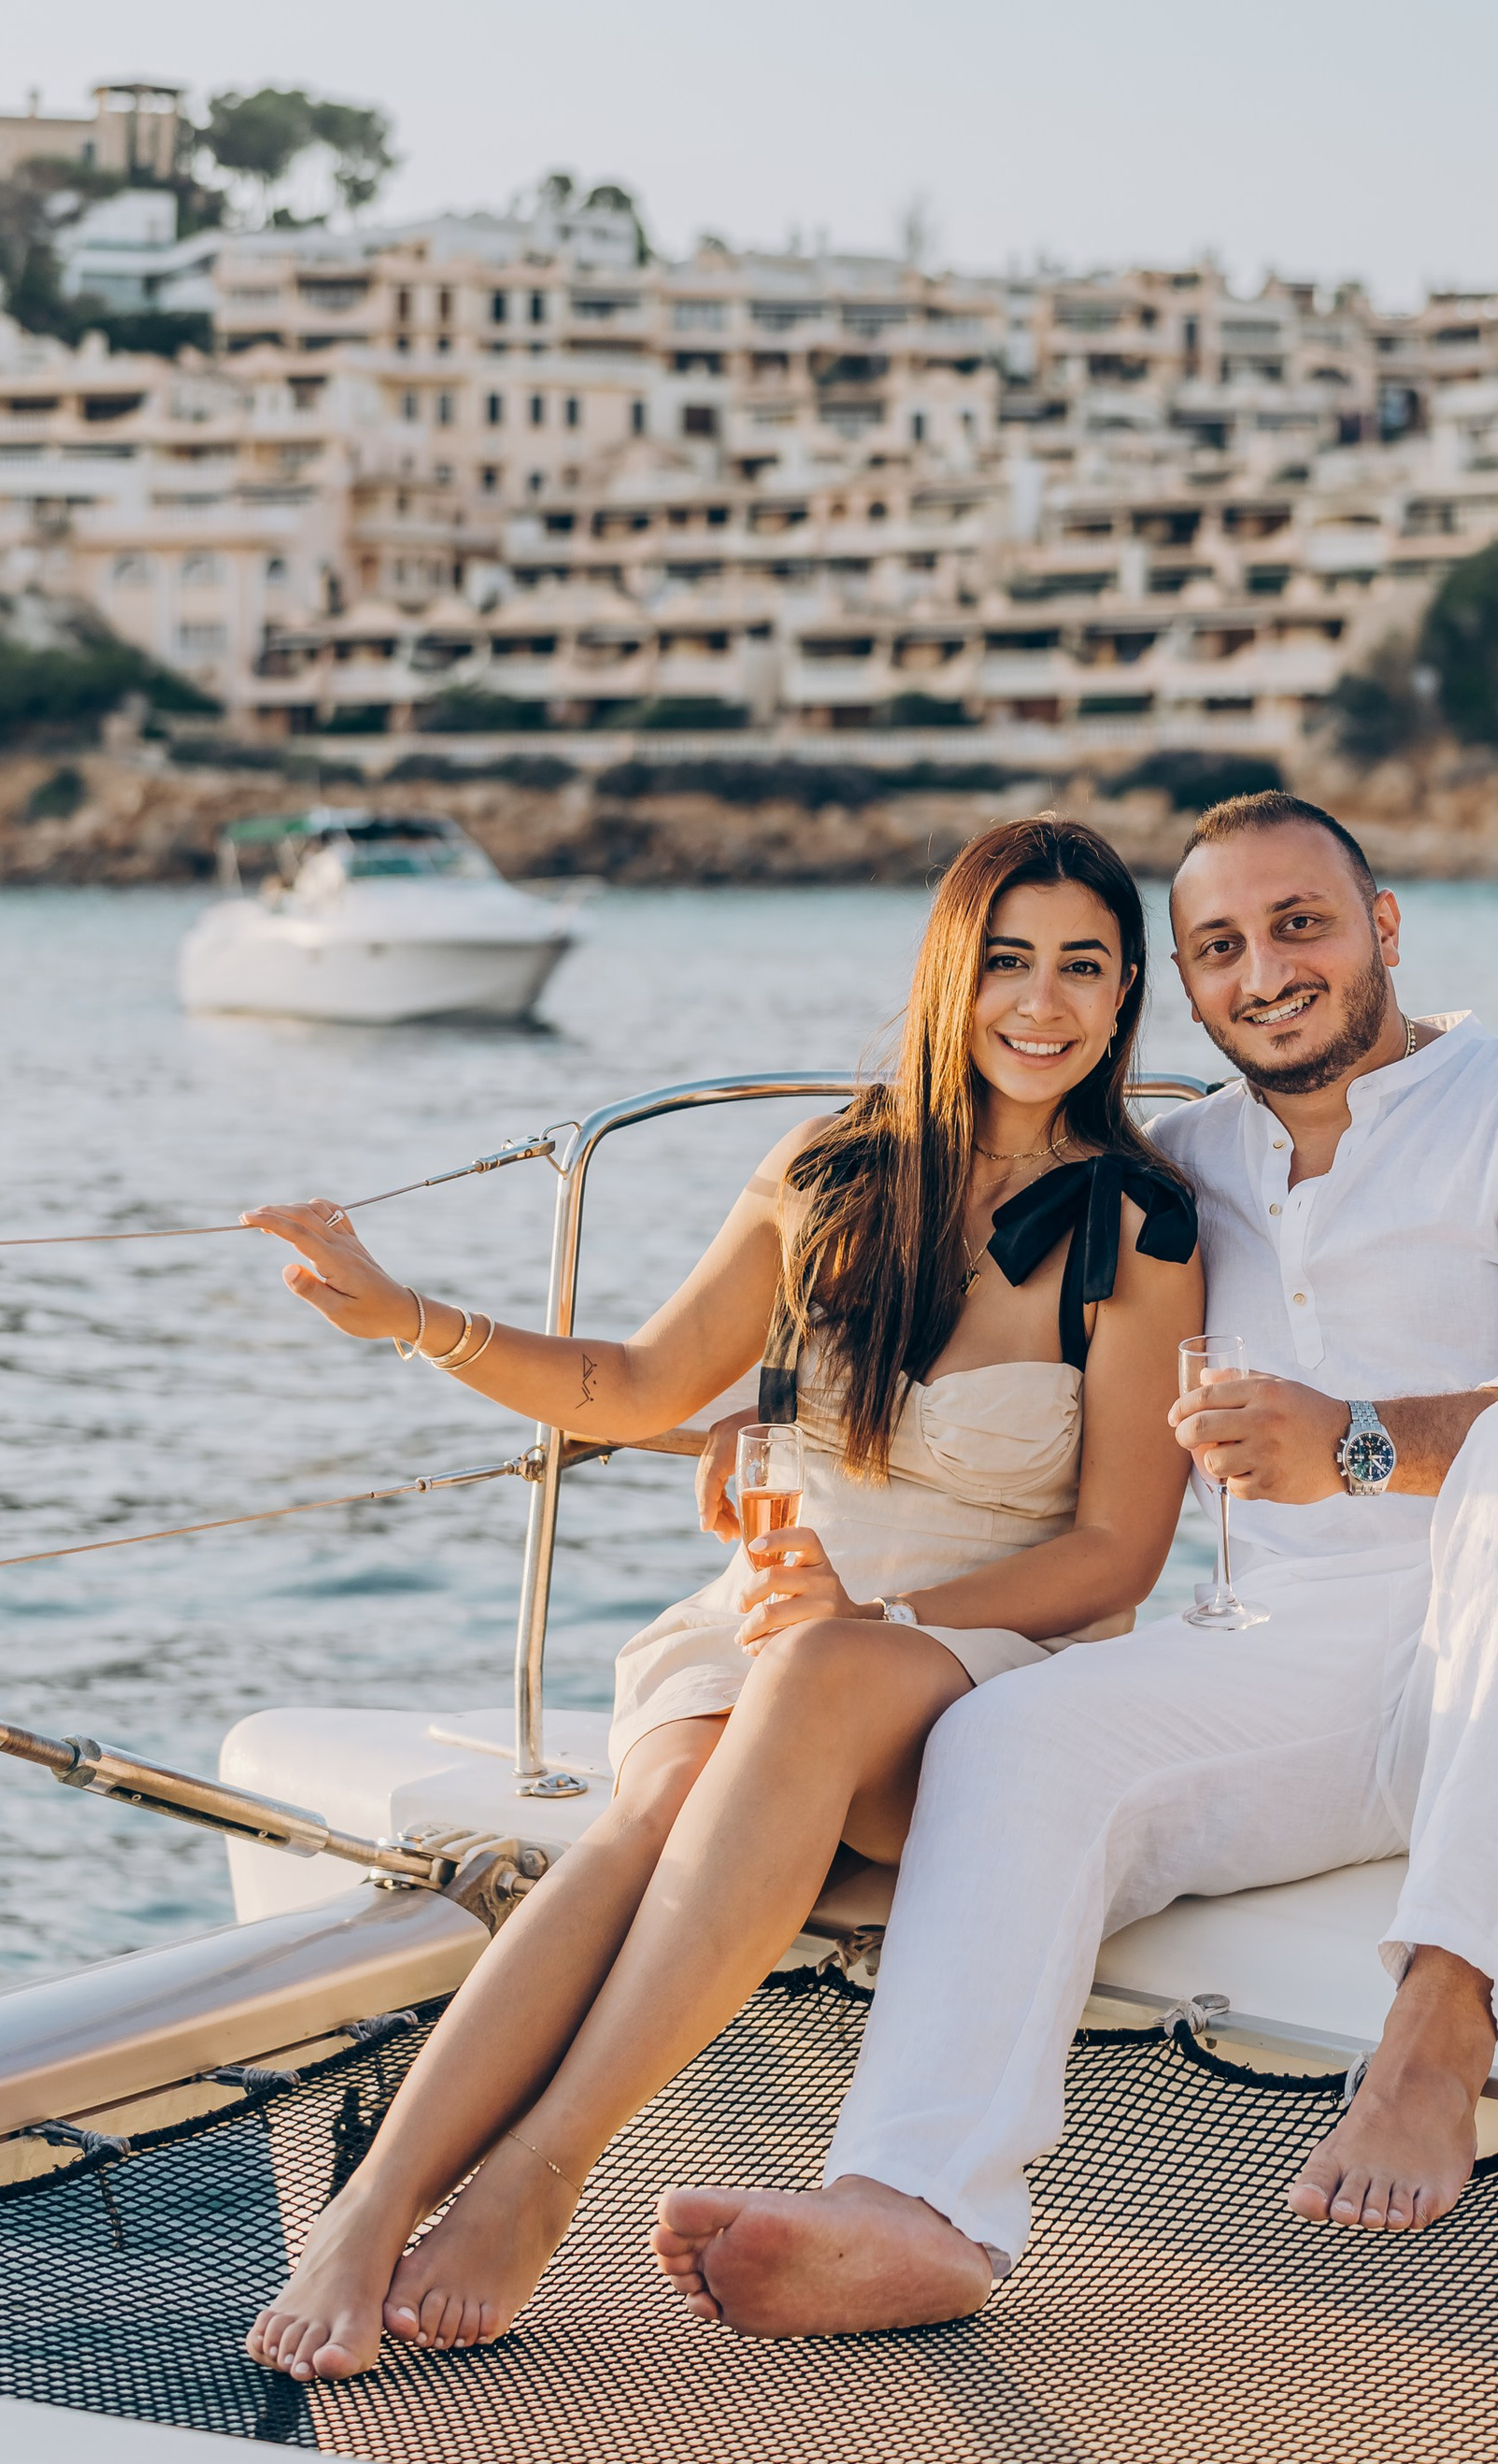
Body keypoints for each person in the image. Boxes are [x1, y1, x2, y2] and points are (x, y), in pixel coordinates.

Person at [649, 787, 1498, 2339]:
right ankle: (917, 2205)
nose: (1266, 970)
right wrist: (768, 1413)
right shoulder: (1175, 1173)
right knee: (1014, 1735)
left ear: (1381, 928)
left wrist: (1357, 1440)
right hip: (1314, 1652)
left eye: (1301, 924)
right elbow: (959, 1318)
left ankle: (1440, 2025)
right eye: (1218, 945)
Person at [235, 812, 1202, 2383]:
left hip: (988, 1659)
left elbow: (1119, 1555)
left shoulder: (1140, 1230)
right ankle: (375, 2208)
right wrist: (408, 1315)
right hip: (772, 1629)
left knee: (810, 1673)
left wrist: (868, 1630)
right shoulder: (829, 1171)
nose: (1044, 1002)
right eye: (1008, 960)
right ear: (950, 973)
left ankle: (543, 2177)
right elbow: (630, 1382)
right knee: (666, 1786)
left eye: (1084, 968)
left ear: (1126, 993)